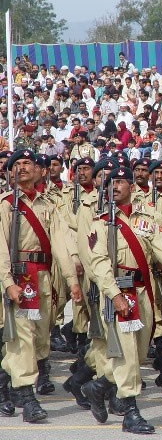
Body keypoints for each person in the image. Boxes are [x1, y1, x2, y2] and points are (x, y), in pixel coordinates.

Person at [81, 166, 162, 433]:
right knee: (127, 354)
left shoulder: (145, 219)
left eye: (120, 182)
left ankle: (99, 386)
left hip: (142, 291)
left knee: (139, 353)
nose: (114, 186)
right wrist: (114, 294)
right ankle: (131, 411)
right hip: (119, 293)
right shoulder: (101, 222)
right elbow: (98, 263)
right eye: (110, 183)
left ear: (131, 186)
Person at [0, 149, 82, 422]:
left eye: (27, 163)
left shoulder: (48, 206)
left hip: (44, 277)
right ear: (10, 172)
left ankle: (6, 381)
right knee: (21, 338)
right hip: (19, 276)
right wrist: (8, 282)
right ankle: (27, 396)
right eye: (17, 164)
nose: (22, 168)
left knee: (39, 337)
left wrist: (72, 280)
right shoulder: (5, 204)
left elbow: (61, 243)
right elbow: (1, 248)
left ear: (38, 170)